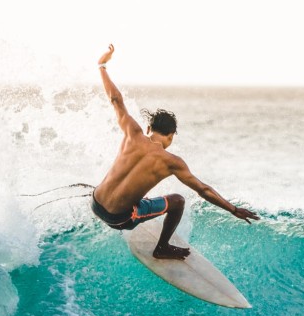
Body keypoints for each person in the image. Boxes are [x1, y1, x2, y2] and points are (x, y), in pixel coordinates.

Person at [90, 44, 259, 260]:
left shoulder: (133, 132)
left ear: (149, 128)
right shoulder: (172, 161)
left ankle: (124, 203)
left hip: (96, 203)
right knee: (177, 200)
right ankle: (162, 248)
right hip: (119, 219)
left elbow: (116, 99)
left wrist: (102, 65)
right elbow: (204, 190)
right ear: (171, 136)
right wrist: (233, 209)